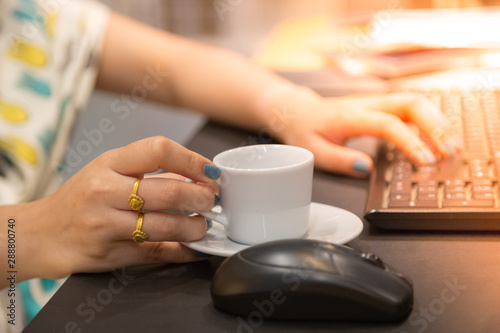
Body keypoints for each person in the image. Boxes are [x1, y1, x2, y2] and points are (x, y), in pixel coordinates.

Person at [0, 0, 461, 329]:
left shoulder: (27, 15)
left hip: (53, 288)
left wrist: (289, 104)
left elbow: (176, 67)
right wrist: (35, 231)